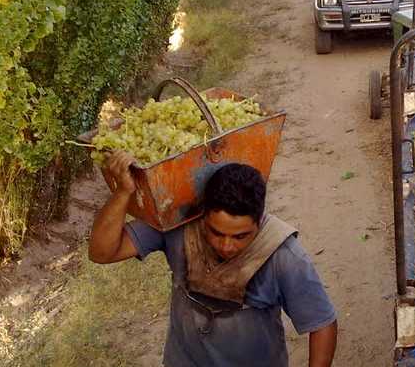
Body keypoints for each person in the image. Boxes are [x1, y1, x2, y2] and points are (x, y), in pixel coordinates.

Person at [89, 151, 339, 366]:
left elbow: (322, 324)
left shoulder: (284, 255)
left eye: (241, 236)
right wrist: (123, 192)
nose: (226, 246)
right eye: (216, 232)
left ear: (259, 221)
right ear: (202, 215)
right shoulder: (177, 225)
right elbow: (101, 252)